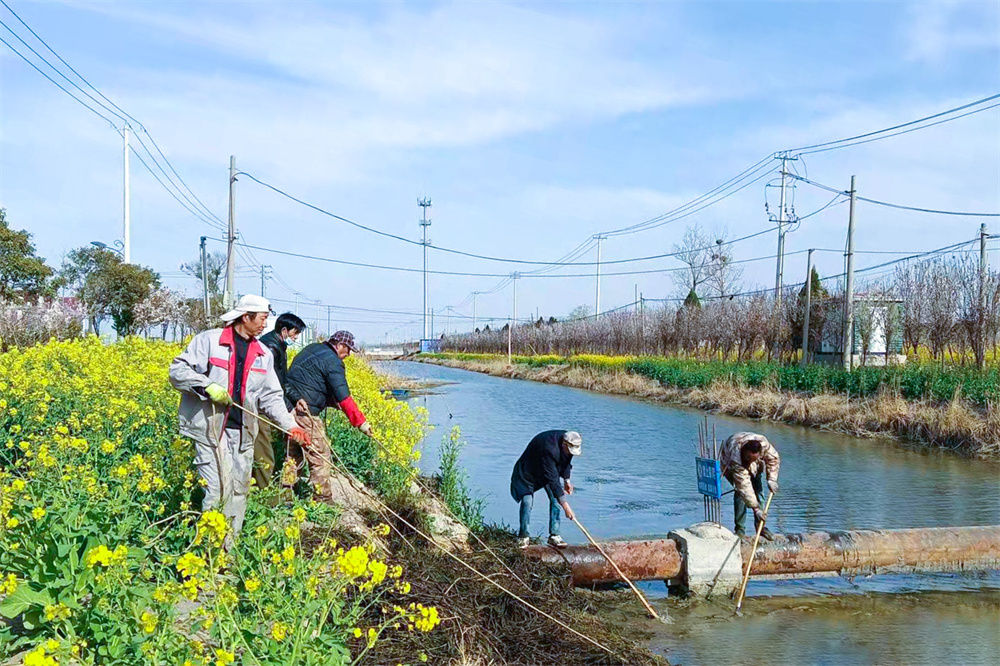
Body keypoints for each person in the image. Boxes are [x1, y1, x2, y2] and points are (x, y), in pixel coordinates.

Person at [168, 294, 310, 542]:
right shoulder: (210, 342)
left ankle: (228, 552)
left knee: (239, 492)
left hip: (243, 432)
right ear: (246, 317)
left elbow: (271, 397)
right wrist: (206, 386)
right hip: (210, 429)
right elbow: (177, 371)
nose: (266, 325)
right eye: (263, 319)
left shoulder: (262, 354)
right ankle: (209, 552)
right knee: (217, 490)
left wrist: (291, 426)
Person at [283, 330, 372, 502]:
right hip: (305, 412)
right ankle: (322, 498)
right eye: (348, 350)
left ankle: (286, 494)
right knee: (320, 455)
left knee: (293, 453)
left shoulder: (312, 348)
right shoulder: (333, 361)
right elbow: (343, 396)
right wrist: (361, 423)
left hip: (287, 408)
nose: (348, 355)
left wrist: (332, 402)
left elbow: (312, 382)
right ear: (339, 346)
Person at [252, 312, 306, 490]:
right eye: (294, 333)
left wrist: (296, 399)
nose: (296, 338)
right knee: (264, 453)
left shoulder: (279, 345)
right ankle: (265, 493)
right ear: (284, 330)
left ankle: (264, 487)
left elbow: (283, 380)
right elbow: (272, 384)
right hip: (261, 406)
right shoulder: (271, 348)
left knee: (267, 449)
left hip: (268, 403)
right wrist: (287, 407)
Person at [510, 430, 581, 549]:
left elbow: (566, 462)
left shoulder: (569, 441)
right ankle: (523, 536)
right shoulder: (549, 449)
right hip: (528, 473)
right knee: (527, 502)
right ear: (564, 444)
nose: (570, 453)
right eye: (569, 450)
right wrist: (567, 508)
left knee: (555, 501)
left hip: (548, 470)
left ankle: (554, 535)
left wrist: (567, 480)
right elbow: (553, 480)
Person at [720, 432, 780, 540]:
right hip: (730, 464)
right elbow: (744, 486)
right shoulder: (735, 454)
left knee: (759, 493)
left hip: (757, 466)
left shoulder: (763, 445)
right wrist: (756, 509)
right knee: (741, 495)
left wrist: (772, 479)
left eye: (754, 459)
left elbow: (773, 460)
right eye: (748, 458)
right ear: (744, 453)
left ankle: (760, 527)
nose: (750, 461)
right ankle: (740, 530)